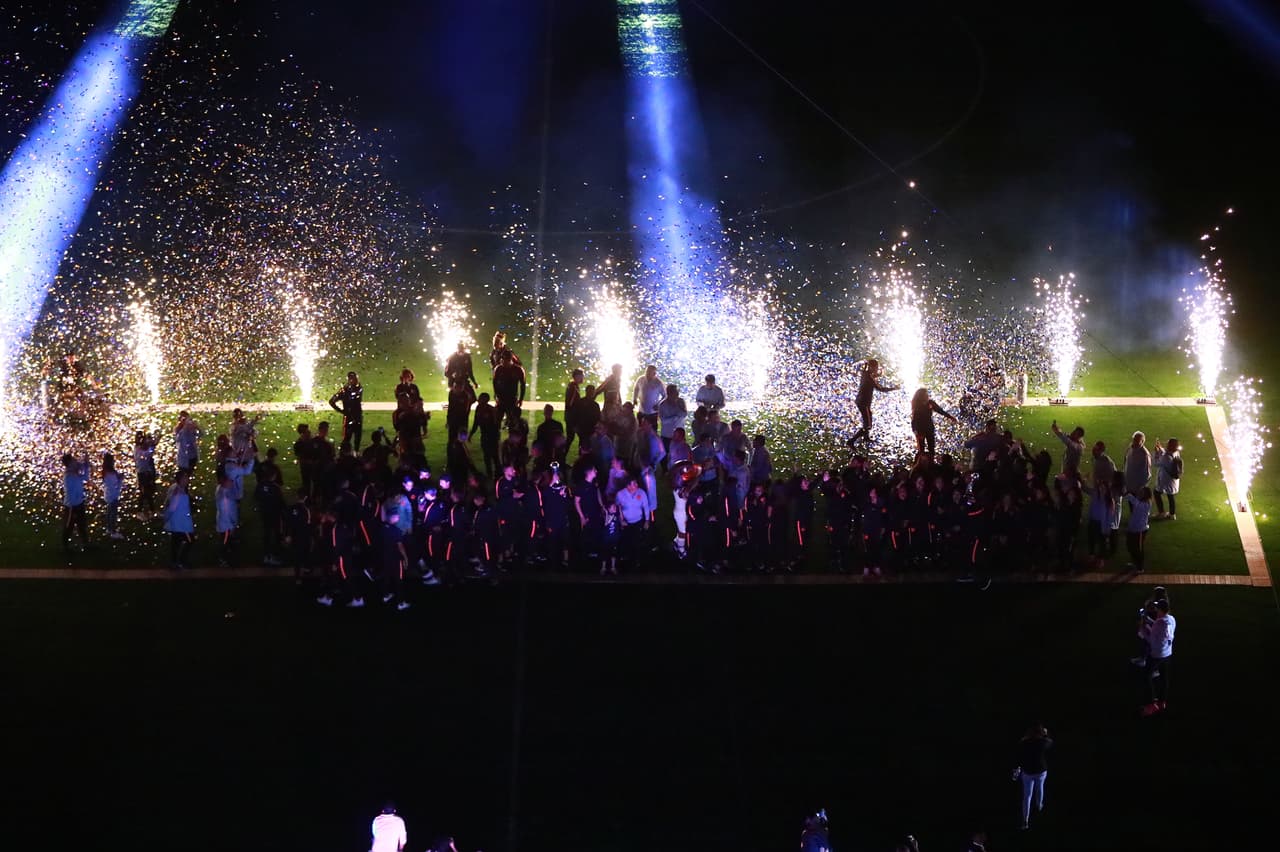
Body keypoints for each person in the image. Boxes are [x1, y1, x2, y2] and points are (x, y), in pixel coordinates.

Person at [1140, 597, 1176, 716]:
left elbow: (1151, 639)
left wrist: (1143, 628)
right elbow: (1158, 627)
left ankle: (1151, 704)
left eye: (1156, 607)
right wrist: (1149, 620)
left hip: (1157, 655)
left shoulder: (1158, 624)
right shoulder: (1171, 619)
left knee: (1146, 677)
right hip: (1168, 654)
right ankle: (1162, 702)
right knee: (1164, 678)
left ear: (1159, 609)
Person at [1014, 723, 1053, 830]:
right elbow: (1050, 742)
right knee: (1040, 789)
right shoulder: (1043, 742)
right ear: (1040, 733)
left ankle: (1025, 820)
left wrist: (1026, 737)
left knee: (1027, 796)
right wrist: (1045, 734)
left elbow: (1019, 748)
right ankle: (1039, 806)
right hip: (1040, 771)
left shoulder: (1024, 743)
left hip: (1028, 772)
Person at [849, 359, 898, 443]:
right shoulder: (869, 378)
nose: (877, 369)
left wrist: (879, 374)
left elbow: (873, 376)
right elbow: (881, 389)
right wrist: (894, 388)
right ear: (872, 367)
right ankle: (851, 441)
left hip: (860, 401)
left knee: (868, 418)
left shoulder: (865, 373)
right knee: (868, 425)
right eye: (876, 368)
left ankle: (866, 438)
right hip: (864, 403)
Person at [910, 387, 958, 456]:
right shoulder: (917, 406)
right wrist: (916, 432)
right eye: (925, 394)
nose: (927, 395)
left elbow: (940, 411)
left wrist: (950, 417)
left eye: (927, 394)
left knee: (931, 448)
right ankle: (921, 464)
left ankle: (931, 462)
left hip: (929, 428)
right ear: (921, 396)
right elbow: (914, 420)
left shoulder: (930, 403)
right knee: (921, 450)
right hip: (920, 430)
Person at [163, 470, 195, 570]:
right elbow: (172, 508)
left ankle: (175, 563)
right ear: (180, 480)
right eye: (185, 478)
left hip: (177, 523)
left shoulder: (178, 489)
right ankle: (181, 562)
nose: (187, 479)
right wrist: (166, 517)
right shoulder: (177, 493)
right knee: (190, 540)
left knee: (175, 544)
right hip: (181, 524)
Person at [328, 372, 365, 451]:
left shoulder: (349, 389)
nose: (356, 380)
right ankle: (347, 454)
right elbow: (331, 401)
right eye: (354, 378)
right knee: (348, 439)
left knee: (355, 439)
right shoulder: (347, 390)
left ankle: (353, 454)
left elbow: (332, 401)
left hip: (353, 417)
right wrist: (342, 411)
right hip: (353, 417)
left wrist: (342, 411)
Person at [61, 453, 90, 551]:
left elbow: (85, 477)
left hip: (79, 503)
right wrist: (83, 465)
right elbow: (83, 477)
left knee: (82, 525)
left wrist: (85, 465)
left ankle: (86, 544)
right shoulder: (69, 475)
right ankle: (65, 545)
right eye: (73, 460)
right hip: (72, 506)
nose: (75, 461)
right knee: (69, 526)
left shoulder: (73, 472)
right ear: (69, 463)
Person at [492, 350, 527, 428]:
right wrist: (496, 394)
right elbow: (494, 382)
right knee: (497, 420)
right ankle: (496, 436)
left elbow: (523, 385)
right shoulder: (499, 369)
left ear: (510, 359)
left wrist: (521, 399)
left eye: (505, 359)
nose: (503, 361)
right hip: (501, 398)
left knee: (512, 421)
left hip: (512, 398)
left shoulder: (518, 370)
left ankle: (512, 435)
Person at [1124, 486, 1153, 573]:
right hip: (1132, 528)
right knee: (1130, 546)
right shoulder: (1140, 501)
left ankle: (1140, 567)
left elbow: (1134, 502)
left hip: (1140, 530)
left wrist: (1127, 493)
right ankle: (1134, 562)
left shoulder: (1146, 504)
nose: (1139, 494)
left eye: (1142, 492)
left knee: (1138, 548)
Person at [1152, 437, 1183, 519]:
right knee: (1170, 496)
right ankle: (1172, 514)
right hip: (1173, 479)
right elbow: (1166, 452)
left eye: (1168, 444)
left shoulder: (1166, 457)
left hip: (1165, 480)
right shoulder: (1176, 453)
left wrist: (1156, 452)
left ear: (1171, 446)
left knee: (1156, 493)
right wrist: (1160, 449)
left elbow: (1156, 463)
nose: (1166, 445)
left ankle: (1161, 512)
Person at [101, 452, 124, 541]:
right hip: (112, 495)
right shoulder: (110, 474)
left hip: (108, 495)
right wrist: (120, 480)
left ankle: (109, 528)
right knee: (112, 514)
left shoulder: (106, 472)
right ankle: (113, 531)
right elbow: (115, 485)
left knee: (109, 512)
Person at [564, 368, 585, 453]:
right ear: (576, 376)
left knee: (570, 438)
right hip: (572, 418)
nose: (583, 378)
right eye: (582, 376)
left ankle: (562, 457)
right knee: (577, 437)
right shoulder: (573, 387)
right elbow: (570, 403)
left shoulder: (573, 386)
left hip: (570, 417)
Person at [1124, 430, 1152, 496]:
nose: (1134, 442)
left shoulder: (1144, 454)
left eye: (1137, 440)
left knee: (1136, 505)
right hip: (1128, 482)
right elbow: (1126, 460)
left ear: (1142, 442)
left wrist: (1141, 487)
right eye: (1134, 439)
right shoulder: (1130, 448)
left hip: (1137, 487)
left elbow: (1147, 474)